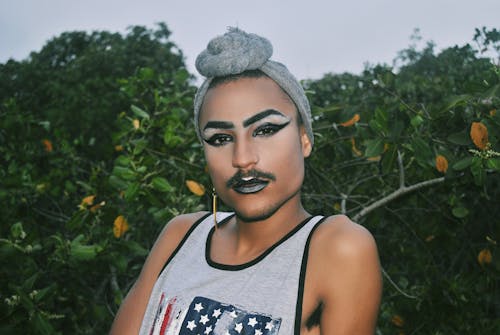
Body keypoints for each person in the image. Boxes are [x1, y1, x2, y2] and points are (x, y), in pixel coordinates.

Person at [110, 28, 381, 335]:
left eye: (265, 130)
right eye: (221, 138)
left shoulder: (338, 247)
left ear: (304, 139)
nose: (242, 158)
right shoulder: (180, 237)